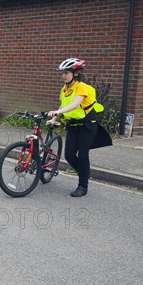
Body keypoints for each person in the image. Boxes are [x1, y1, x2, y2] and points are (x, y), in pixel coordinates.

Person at [47, 58, 101, 197]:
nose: (63, 75)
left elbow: (76, 104)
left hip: (88, 126)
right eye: (62, 73)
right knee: (69, 155)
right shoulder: (64, 89)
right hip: (74, 126)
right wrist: (54, 119)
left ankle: (83, 186)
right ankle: (84, 173)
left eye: (66, 72)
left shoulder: (81, 86)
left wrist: (58, 112)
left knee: (83, 155)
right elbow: (63, 106)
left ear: (75, 73)